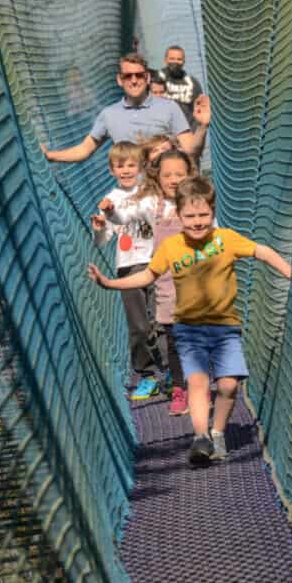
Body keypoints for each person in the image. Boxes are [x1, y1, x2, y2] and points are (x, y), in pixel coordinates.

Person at [88, 177, 292, 466]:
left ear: (213, 213)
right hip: (188, 329)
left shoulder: (226, 239)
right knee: (197, 382)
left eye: (203, 215)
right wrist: (109, 283)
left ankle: (218, 431)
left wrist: (289, 272)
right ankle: (200, 437)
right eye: (190, 216)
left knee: (229, 386)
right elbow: (147, 276)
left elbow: (264, 251)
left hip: (225, 328)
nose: (197, 222)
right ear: (179, 216)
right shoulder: (171, 247)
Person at [97, 149, 196, 416]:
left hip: (189, 273)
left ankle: (190, 379)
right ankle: (171, 380)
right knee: (155, 326)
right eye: (167, 175)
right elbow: (124, 219)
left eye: (179, 174)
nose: (173, 180)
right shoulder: (146, 202)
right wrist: (108, 217)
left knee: (180, 327)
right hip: (151, 270)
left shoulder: (190, 201)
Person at [41, 53, 209, 163]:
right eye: (128, 76)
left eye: (139, 75)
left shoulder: (169, 107)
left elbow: (190, 151)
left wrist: (202, 126)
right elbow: (85, 149)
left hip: (166, 194)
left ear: (148, 78)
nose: (134, 80)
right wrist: (51, 156)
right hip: (133, 197)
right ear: (120, 80)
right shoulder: (109, 114)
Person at [91, 142, 161, 400]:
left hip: (155, 260)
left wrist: (114, 214)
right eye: (120, 166)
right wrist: (100, 226)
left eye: (131, 165)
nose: (126, 170)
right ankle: (147, 375)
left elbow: (152, 220)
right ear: (111, 170)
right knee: (139, 326)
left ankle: (174, 373)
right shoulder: (111, 199)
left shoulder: (151, 193)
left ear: (141, 167)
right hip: (128, 266)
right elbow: (101, 241)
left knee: (161, 320)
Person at [157, 45, 204, 129]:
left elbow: (200, 109)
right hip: (161, 133)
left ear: (184, 61)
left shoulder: (192, 83)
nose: (175, 62)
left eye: (179, 59)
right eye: (172, 59)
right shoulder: (156, 80)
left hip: (187, 133)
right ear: (165, 60)